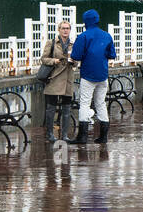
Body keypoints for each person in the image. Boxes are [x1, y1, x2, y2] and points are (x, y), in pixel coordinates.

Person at [67, 9, 117, 145]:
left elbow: (75, 56)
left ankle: (82, 137)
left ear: (85, 21)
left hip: (88, 75)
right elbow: (112, 55)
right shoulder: (107, 36)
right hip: (103, 75)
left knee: (84, 103)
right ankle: (103, 136)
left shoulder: (83, 36)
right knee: (101, 103)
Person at [40, 19, 75, 142]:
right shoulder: (52, 43)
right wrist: (54, 61)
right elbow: (44, 59)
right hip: (54, 78)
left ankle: (64, 135)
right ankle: (50, 134)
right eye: (63, 28)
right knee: (51, 108)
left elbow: (76, 61)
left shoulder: (73, 44)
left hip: (67, 79)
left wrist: (74, 61)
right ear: (59, 30)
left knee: (66, 108)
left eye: (67, 28)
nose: (65, 30)